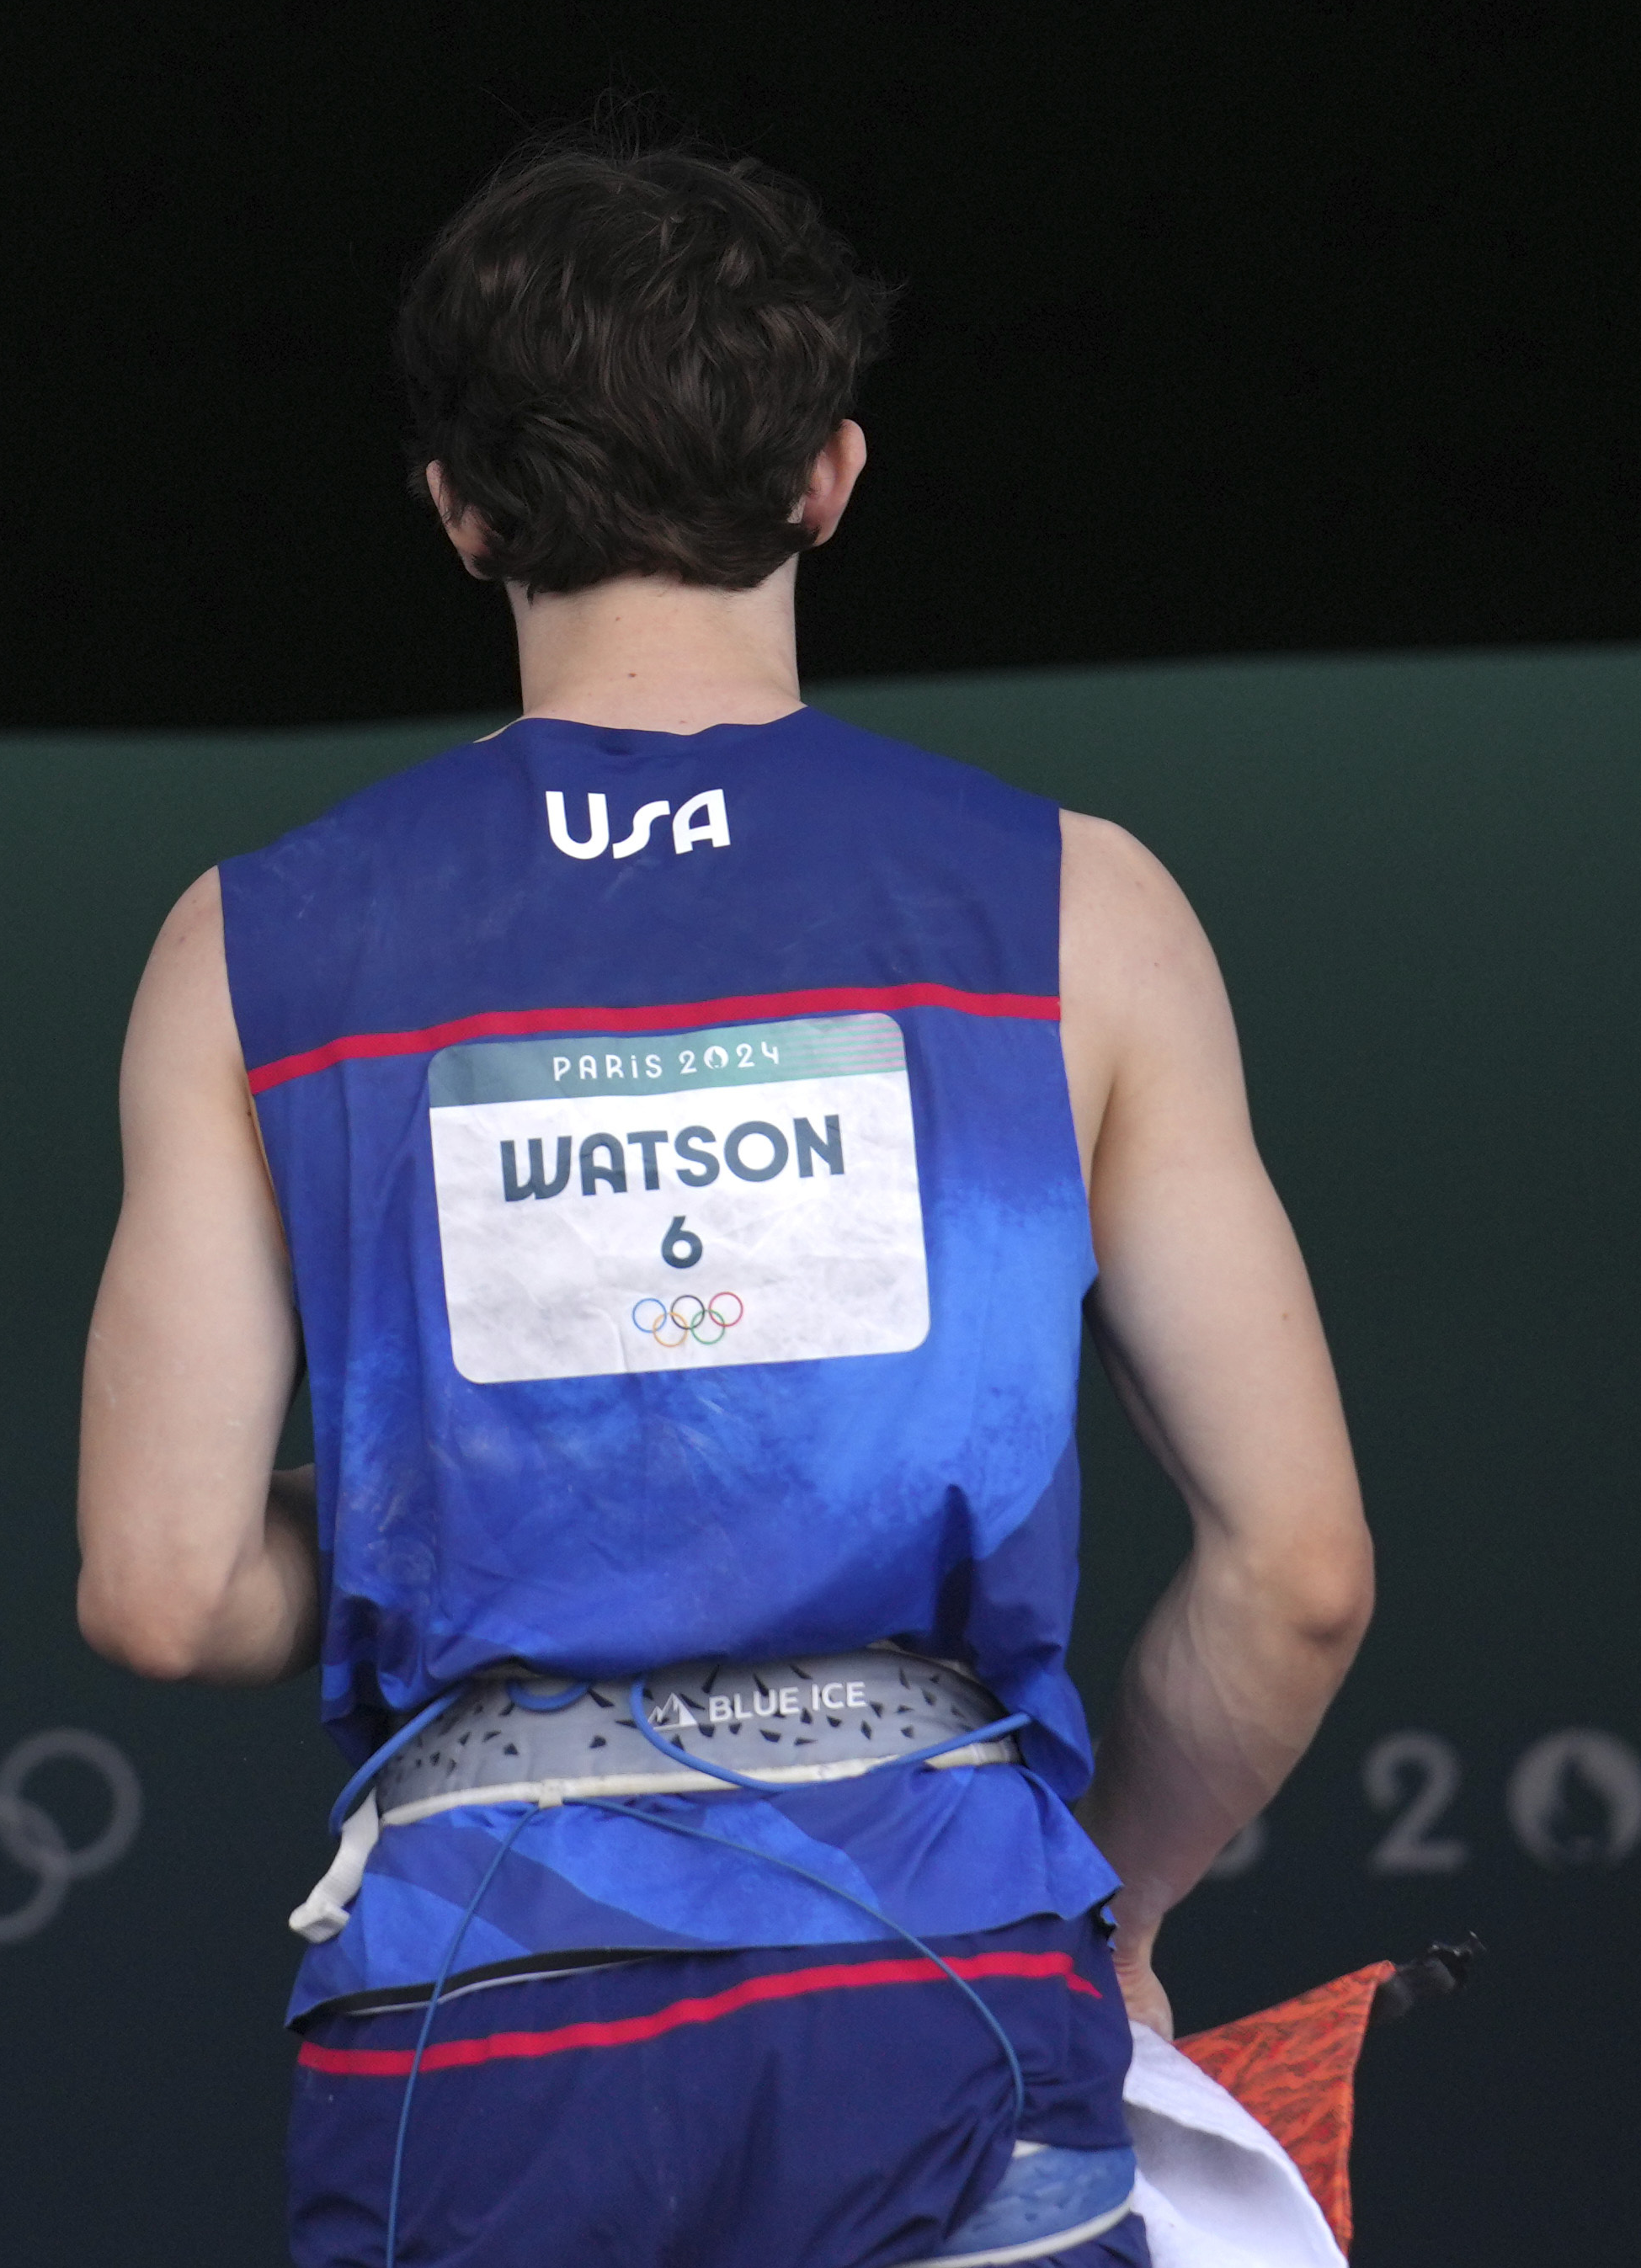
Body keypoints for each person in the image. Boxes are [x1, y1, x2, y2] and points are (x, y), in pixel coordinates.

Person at [77, 128, 1378, 2268]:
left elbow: (162, 1583)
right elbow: (1299, 1571)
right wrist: (1114, 1913)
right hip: (955, 1983)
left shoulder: (257, 946)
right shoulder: (1082, 915)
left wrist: (454, 1496)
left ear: (461, 512)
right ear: (830, 480)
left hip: (482, 2022)